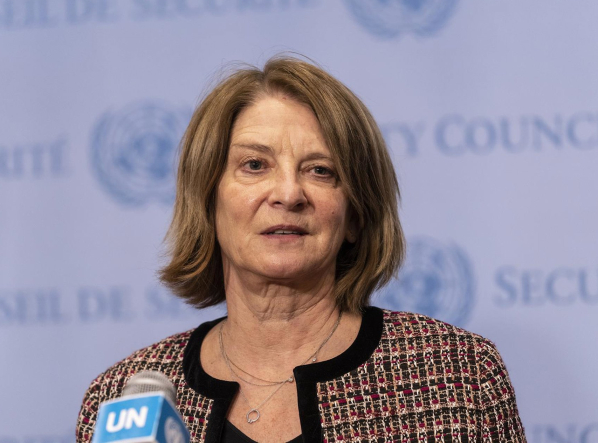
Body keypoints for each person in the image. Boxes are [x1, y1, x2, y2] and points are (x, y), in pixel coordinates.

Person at [76, 56, 526, 443]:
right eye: (255, 165)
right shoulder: (119, 400)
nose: (289, 194)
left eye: (320, 170)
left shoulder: (455, 377)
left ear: (355, 214)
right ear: (208, 201)